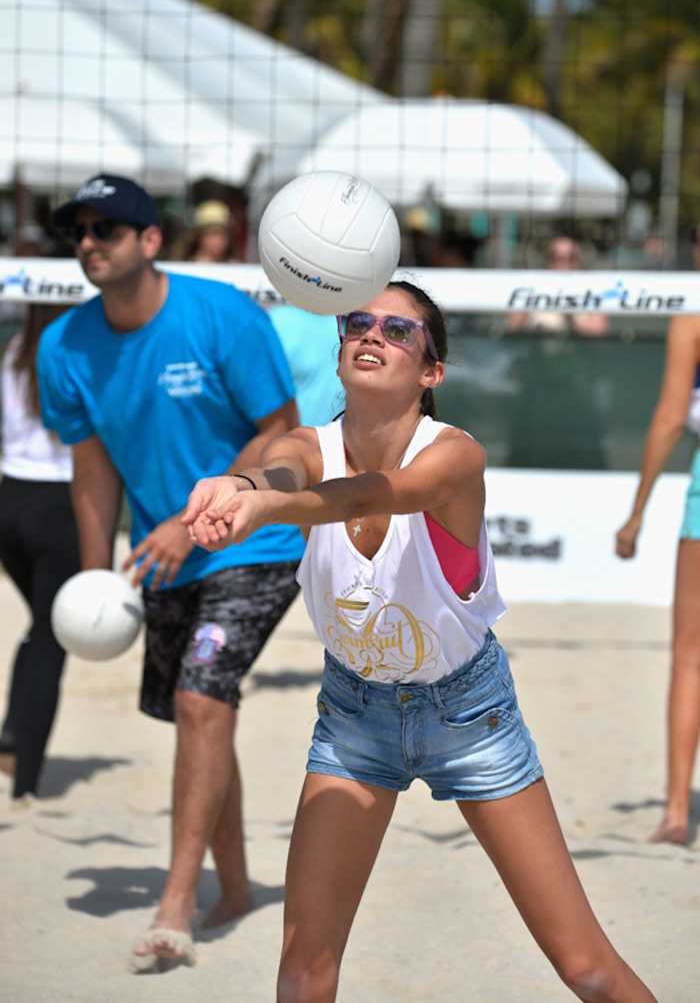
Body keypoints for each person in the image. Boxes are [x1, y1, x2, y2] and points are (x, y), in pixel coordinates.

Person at [184, 282, 656, 1002]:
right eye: (359, 323)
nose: (372, 335)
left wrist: (268, 507)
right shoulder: (305, 446)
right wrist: (239, 486)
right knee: (304, 970)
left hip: (470, 717)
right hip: (353, 717)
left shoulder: (456, 456)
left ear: (432, 370)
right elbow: (277, 469)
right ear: (339, 350)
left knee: (586, 968)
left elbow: (373, 493)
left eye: (399, 330)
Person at [36, 174, 303, 971]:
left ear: (151, 240)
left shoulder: (220, 314)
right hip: (165, 554)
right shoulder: (65, 345)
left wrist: (193, 521)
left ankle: (174, 907)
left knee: (199, 697)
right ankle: (238, 887)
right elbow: (92, 473)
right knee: (201, 713)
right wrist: (96, 584)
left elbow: (283, 433)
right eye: (79, 231)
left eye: (107, 229)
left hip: (256, 537)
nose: (89, 243)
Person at [616, 314, 700, 846]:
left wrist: (637, 512)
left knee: (690, 657)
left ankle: (675, 813)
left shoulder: (691, 326)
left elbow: (669, 418)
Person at [0, 303, 80, 806]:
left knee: (39, 629)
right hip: (59, 503)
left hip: (10, 498)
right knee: (52, 638)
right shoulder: (76, 353)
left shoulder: (14, 351)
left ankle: (11, 735)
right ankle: (26, 777)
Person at [507, 235, 610, 337]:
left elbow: (600, 330)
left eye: (571, 257)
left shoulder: (590, 290)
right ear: (549, 260)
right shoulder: (532, 289)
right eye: (557, 257)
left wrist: (571, 314)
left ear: (578, 261)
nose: (564, 263)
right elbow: (513, 327)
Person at [170, 199, 237, 263]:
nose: (218, 240)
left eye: (222, 234)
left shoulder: (236, 267)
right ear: (199, 235)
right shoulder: (183, 266)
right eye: (212, 234)